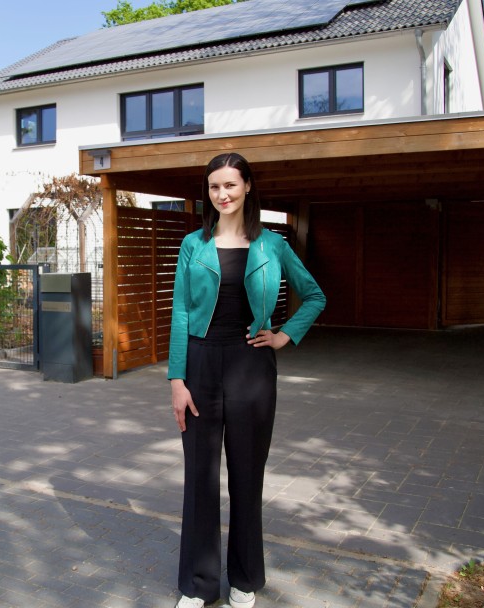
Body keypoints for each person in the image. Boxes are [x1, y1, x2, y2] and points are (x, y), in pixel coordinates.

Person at [168, 152, 325, 608]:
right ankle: (198, 586)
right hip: (200, 365)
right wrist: (176, 379)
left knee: (247, 476)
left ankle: (244, 580)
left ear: (248, 186)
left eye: (231, 185)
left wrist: (284, 335)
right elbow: (180, 312)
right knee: (200, 477)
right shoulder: (193, 245)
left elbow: (315, 295)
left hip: (252, 366)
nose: (223, 194)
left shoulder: (272, 245)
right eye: (214, 187)